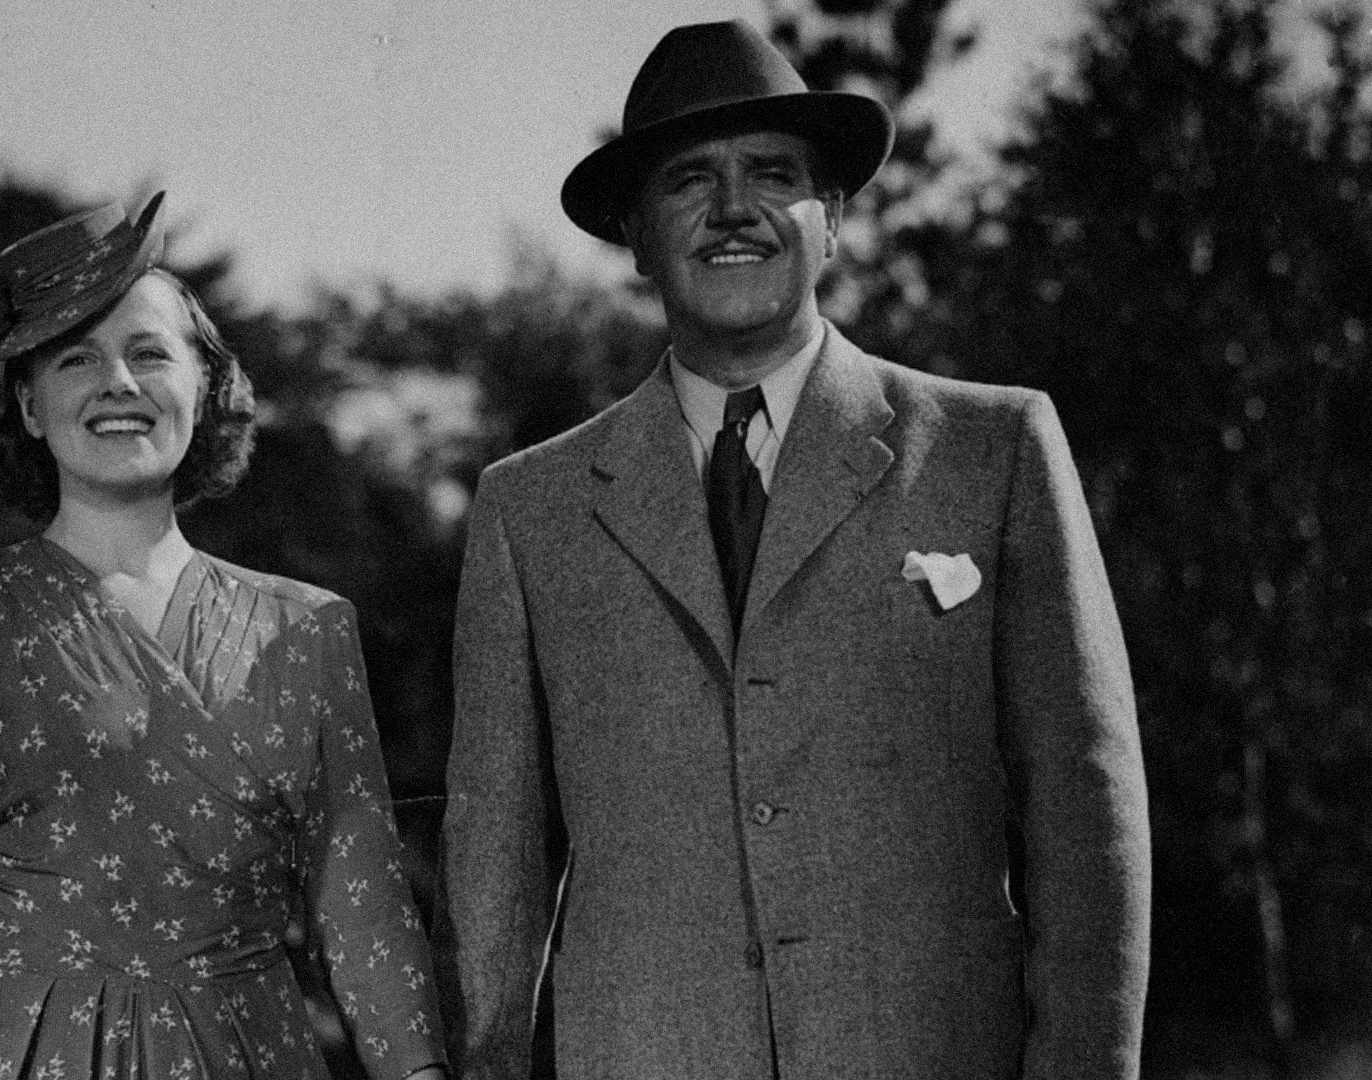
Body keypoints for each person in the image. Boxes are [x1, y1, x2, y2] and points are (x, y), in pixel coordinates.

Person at [437, 19, 1150, 1080]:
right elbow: (494, 860)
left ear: (835, 220)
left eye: (774, 173)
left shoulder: (992, 448)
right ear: (634, 236)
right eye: (689, 180)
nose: (734, 208)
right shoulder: (528, 509)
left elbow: (1087, 816)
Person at [0, 193, 448, 1080]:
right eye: (76, 358)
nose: (118, 384)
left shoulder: (309, 628)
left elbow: (359, 899)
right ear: (28, 405)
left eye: (149, 353)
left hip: (253, 1055)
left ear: (205, 388)